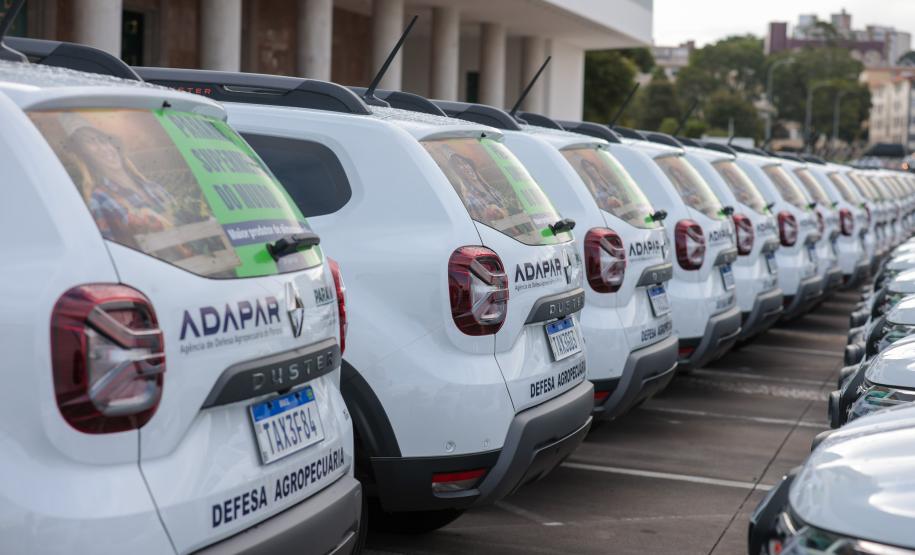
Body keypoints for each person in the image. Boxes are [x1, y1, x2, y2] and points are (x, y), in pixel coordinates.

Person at [61, 113, 178, 245]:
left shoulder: (154, 188)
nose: (104, 149)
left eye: (103, 140)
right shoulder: (100, 200)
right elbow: (115, 253)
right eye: (90, 143)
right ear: (85, 156)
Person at [447, 153, 510, 222]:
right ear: (458, 173)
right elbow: (488, 225)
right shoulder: (471, 199)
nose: (466, 167)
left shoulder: (489, 188)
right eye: (459, 166)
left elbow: (507, 208)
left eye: (465, 163)